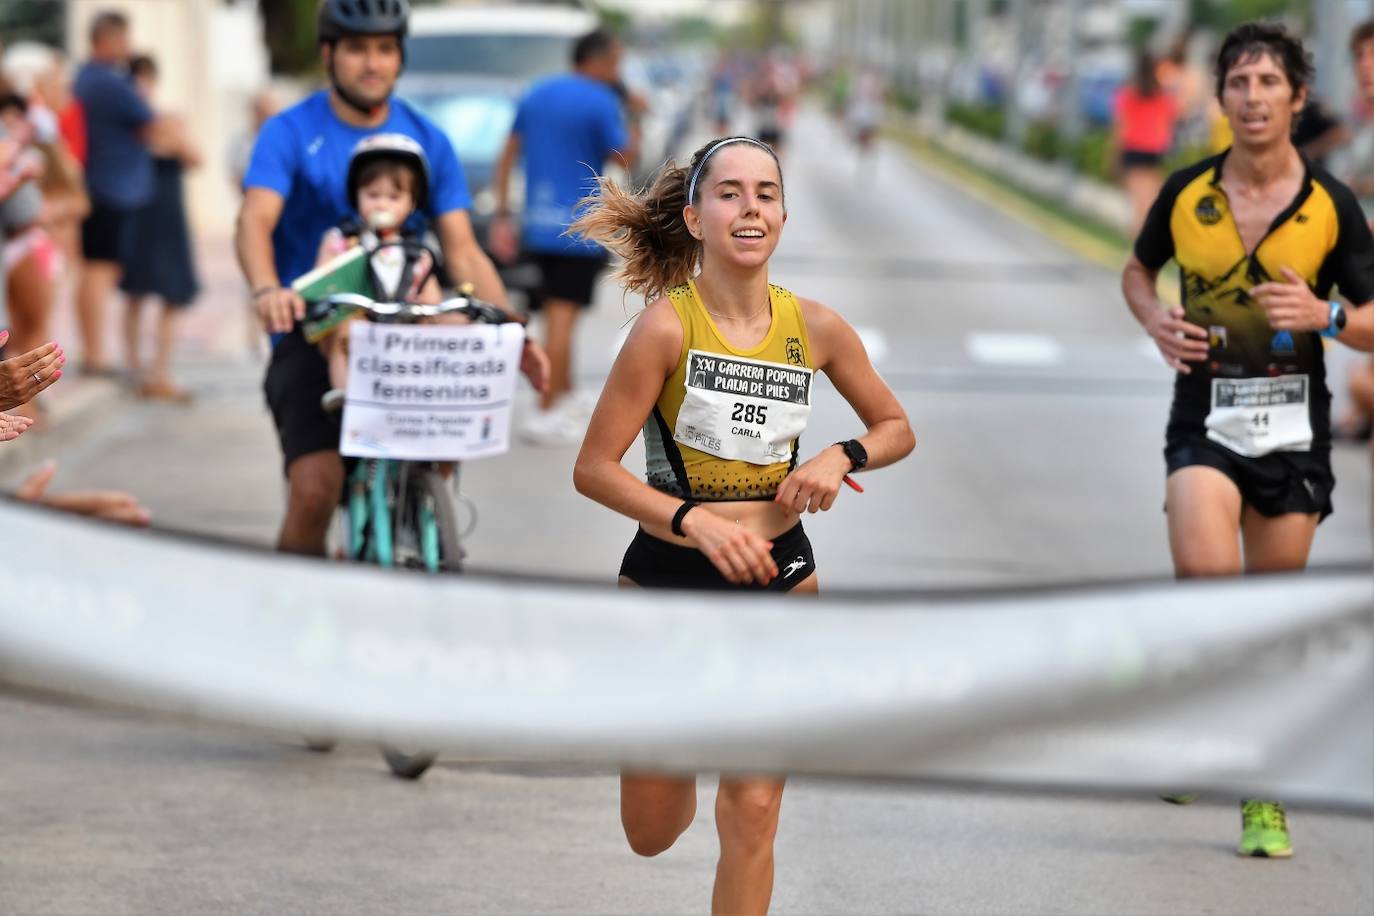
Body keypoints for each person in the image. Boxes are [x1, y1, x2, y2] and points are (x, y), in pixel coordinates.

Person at [570, 136, 914, 913]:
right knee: (652, 831)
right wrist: (694, 523)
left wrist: (840, 456)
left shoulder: (816, 327)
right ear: (694, 217)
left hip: (780, 574)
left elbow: (896, 425)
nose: (749, 206)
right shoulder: (664, 330)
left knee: (754, 812)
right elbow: (593, 468)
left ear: (784, 217)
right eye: (729, 192)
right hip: (668, 581)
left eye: (765, 192)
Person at [1120, 21, 1374, 859]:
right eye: (1240, 82)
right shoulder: (1189, 192)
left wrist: (1327, 315)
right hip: (1205, 415)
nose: (1254, 97)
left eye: (1270, 83)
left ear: (1297, 99)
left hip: (1293, 429)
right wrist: (1157, 317)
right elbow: (1136, 267)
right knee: (1206, 581)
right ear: (1221, 97)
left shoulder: (1331, 204)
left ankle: (1261, 791)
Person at [235, 0, 548, 558]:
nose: (372, 62)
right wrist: (266, 290)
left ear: (400, 57)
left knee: (440, 445)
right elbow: (254, 221)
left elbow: (463, 251)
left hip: (405, 337)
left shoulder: (428, 138)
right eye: (357, 48)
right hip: (316, 333)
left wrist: (516, 331)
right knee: (315, 489)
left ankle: (417, 522)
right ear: (329, 54)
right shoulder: (290, 131)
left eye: (385, 48)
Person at [489, 28, 636, 445]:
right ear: (600, 60)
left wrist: (503, 212)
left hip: (536, 223)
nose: (618, 71)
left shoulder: (537, 92)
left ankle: (565, 394)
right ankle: (545, 409)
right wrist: (633, 113)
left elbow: (508, 152)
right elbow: (625, 155)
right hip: (579, 227)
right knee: (562, 319)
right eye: (616, 62)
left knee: (556, 312)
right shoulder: (602, 99)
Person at [306, 134, 443, 407]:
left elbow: (431, 296)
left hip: (402, 329)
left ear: (412, 203)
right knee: (348, 329)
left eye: (394, 197)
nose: (382, 204)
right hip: (358, 325)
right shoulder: (341, 241)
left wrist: (432, 314)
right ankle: (345, 394)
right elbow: (321, 283)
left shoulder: (417, 251)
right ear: (356, 196)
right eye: (373, 195)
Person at [72, 10, 163, 376]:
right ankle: (95, 354)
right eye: (123, 38)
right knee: (100, 270)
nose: (128, 46)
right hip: (108, 189)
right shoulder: (107, 81)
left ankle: (94, 350)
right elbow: (151, 121)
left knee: (97, 269)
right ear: (107, 40)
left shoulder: (89, 78)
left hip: (104, 186)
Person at [116, 54, 200, 403]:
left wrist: (171, 133)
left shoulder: (164, 119)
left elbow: (194, 157)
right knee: (135, 292)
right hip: (139, 214)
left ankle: (159, 370)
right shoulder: (127, 124)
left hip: (169, 217)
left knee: (173, 293)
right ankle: (136, 367)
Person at [1113, 49, 1178, 236]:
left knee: (1137, 202)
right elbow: (1172, 118)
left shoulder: (1128, 93)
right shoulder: (1163, 96)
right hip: (1154, 149)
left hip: (1133, 147)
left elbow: (1121, 127)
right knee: (1151, 199)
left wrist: (1114, 154)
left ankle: (1139, 243)